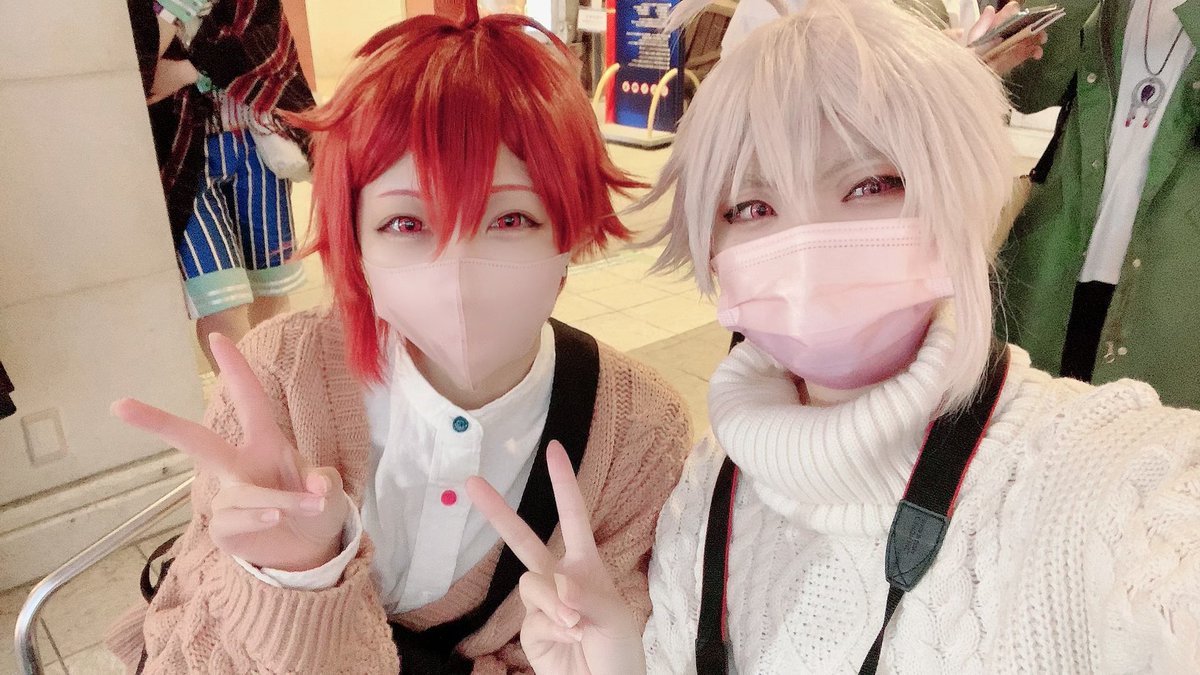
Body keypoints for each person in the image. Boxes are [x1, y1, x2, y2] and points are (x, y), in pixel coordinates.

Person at [467, 0, 1200, 672]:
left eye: (871, 185)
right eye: (752, 207)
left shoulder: (1112, 489)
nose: (810, 240)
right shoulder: (708, 487)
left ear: (959, 195)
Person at [105, 7, 690, 673]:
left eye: (511, 218)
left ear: (572, 231)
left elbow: (597, 639)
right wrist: (294, 577)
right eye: (407, 223)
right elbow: (195, 643)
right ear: (355, 243)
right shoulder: (282, 381)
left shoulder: (638, 431)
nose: (458, 271)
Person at [999, 0, 1200, 408]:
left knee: (1134, 435)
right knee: (1026, 423)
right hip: (1055, 270)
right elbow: (1026, 89)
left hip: (1167, 294)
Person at [126, 0, 316, 373]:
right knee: (222, 301)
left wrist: (190, 70)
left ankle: (278, 390)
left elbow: (271, 53)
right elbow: (138, 73)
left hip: (258, 152)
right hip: (182, 161)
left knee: (270, 290)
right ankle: (242, 403)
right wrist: (175, 10)